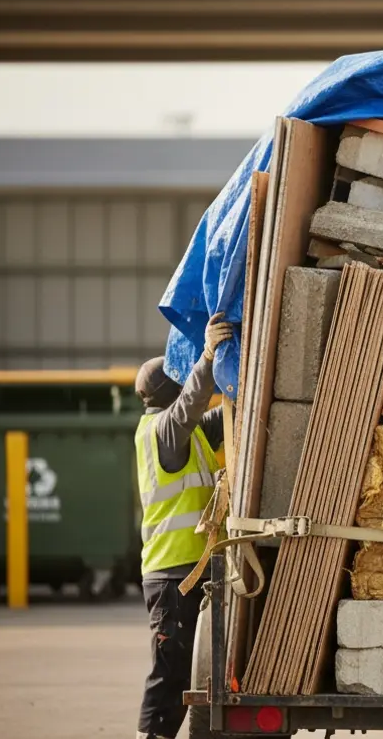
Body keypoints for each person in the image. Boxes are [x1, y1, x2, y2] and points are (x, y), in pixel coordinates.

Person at [134, 314, 233, 739]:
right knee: (170, 673)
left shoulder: (185, 434)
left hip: (190, 572)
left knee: (192, 672)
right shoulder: (165, 431)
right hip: (174, 577)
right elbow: (193, 402)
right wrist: (208, 357)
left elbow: (222, 415)